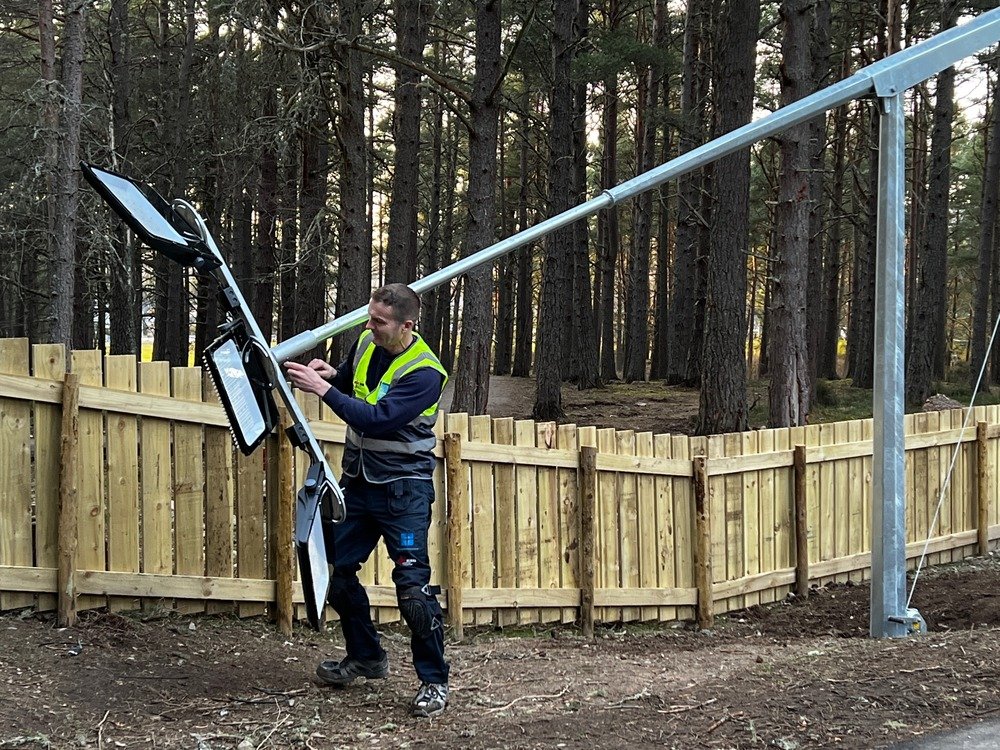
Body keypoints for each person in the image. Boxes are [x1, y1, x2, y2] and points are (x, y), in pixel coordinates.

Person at [284, 283, 450, 718]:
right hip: (358, 483)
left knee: (412, 592)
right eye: (369, 317)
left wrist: (322, 392)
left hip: (404, 492)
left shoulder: (425, 373)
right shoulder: (366, 340)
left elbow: (377, 419)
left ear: (407, 325)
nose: (370, 326)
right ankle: (367, 657)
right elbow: (356, 379)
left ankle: (433, 681)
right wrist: (332, 375)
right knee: (337, 574)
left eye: (380, 321)